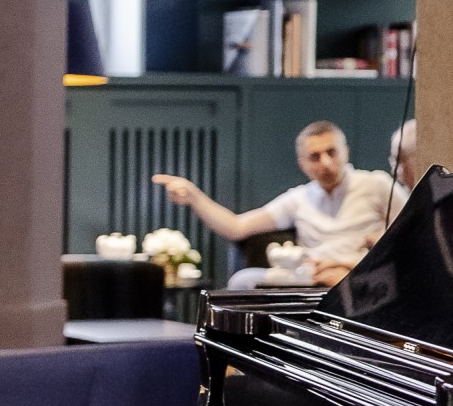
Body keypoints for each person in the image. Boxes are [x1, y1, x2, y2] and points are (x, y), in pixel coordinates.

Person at [153, 120, 401, 288]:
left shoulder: (377, 185)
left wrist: (347, 265)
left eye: (332, 152)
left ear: (345, 151)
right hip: (308, 277)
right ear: (303, 164)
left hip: (358, 274)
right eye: (315, 157)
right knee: (242, 281)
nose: (325, 163)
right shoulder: (300, 198)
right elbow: (236, 227)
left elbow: (412, 234)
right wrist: (195, 197)